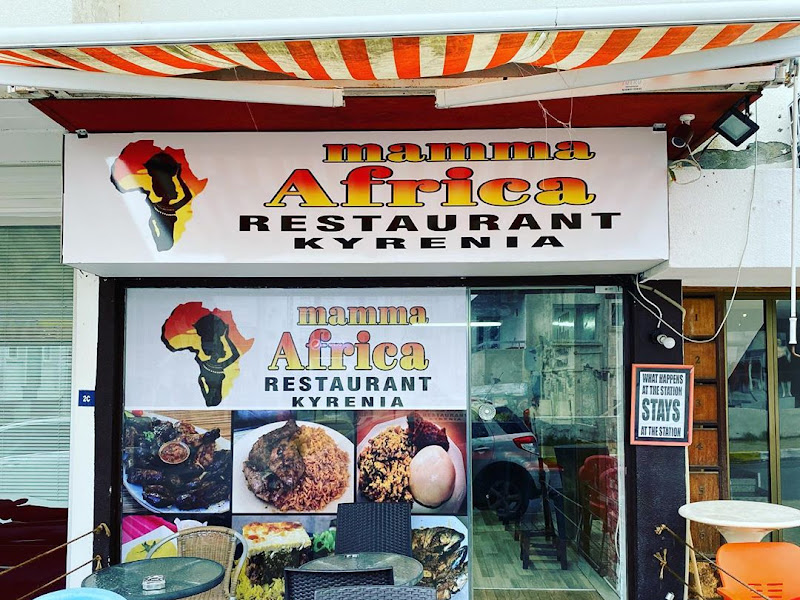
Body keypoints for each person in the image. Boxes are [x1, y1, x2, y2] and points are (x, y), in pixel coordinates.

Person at [192, 313, 241, 407]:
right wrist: (226, 338)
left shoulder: (205, 364)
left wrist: (226, 338)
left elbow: (236, 354)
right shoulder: (209, 364)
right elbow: (235, 354)